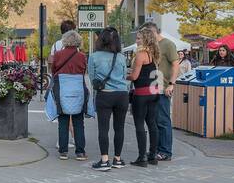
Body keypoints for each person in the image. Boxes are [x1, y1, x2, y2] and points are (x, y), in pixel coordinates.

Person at [87, 27, 129, 171]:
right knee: (120, 128)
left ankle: (104, 160)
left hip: (105, 95)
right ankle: (117, 159)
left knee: (103, 129)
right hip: (122, 94)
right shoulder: (121, 57)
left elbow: (92, 78)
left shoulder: (94, 56)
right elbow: (124, 76)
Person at [49, 26, 90, 161]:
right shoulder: (82, 56)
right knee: (78, 121)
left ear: (65, 41)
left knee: (63, 121)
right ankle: (80, 152)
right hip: (78, 89)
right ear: (78, 42)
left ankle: (63, 151)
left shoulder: (58, 55)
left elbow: (53, 69)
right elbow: (84, 71)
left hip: (62, 89)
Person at [127, 26, 161, 167]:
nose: (137, 40)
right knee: (152, 123)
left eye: (139, 38)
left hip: (141, 93)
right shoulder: (153, 54)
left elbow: (135, 76)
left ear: (145, 39)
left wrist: (126, 76)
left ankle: (142, 157)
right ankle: (153, 155)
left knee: (139, 124)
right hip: (154, 91)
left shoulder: (141, 54)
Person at [146, 23, 178, 162]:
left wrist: (171, 84)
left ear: (153, 32)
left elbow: (175, 64)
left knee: (163, 120)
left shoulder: (168, 44)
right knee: (154, 120)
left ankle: (165, 151)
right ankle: (156, 150)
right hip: (152, 87)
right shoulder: (151, 46)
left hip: (163, 87)